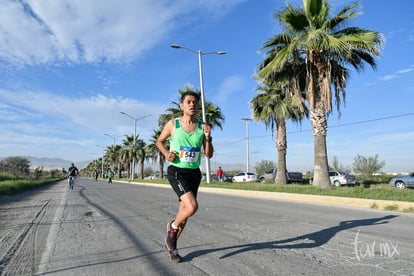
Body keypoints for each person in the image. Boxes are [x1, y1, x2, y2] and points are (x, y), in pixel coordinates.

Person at [156, 91, 214, 263]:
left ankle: (172, 247)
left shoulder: (203, 127)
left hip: (194, 174)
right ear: (181, 105)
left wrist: (208, 138)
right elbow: (159, 141)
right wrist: (166, 153)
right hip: (177, 171)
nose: (192, 105)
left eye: (195, 102)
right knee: (192, 206)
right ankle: (172, 227)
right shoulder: (173, 124)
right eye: (188, 102)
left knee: (185, 212)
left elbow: (209, 154)